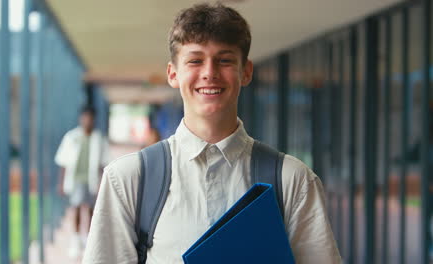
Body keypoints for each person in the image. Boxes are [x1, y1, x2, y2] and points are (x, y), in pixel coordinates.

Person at [83, 3, 341, 263]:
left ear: (246, 71)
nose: (209, 73)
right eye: (195, 60)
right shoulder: (129, 180)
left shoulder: (292, 180)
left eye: (225, 60)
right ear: (173, 74)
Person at [55, 105, 109, 259]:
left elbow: (103, 163)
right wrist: (61, 183)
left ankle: (88, 239)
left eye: (90, 118)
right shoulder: (71, 137)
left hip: (92, 180)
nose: (87, 120)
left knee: (92, 211)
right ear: (81, 118)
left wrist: (101, 184)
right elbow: (63, 162)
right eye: (85, 117)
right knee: (77, 208)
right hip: (76, 179)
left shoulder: (99, 139)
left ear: (94, 120)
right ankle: (76, 239)